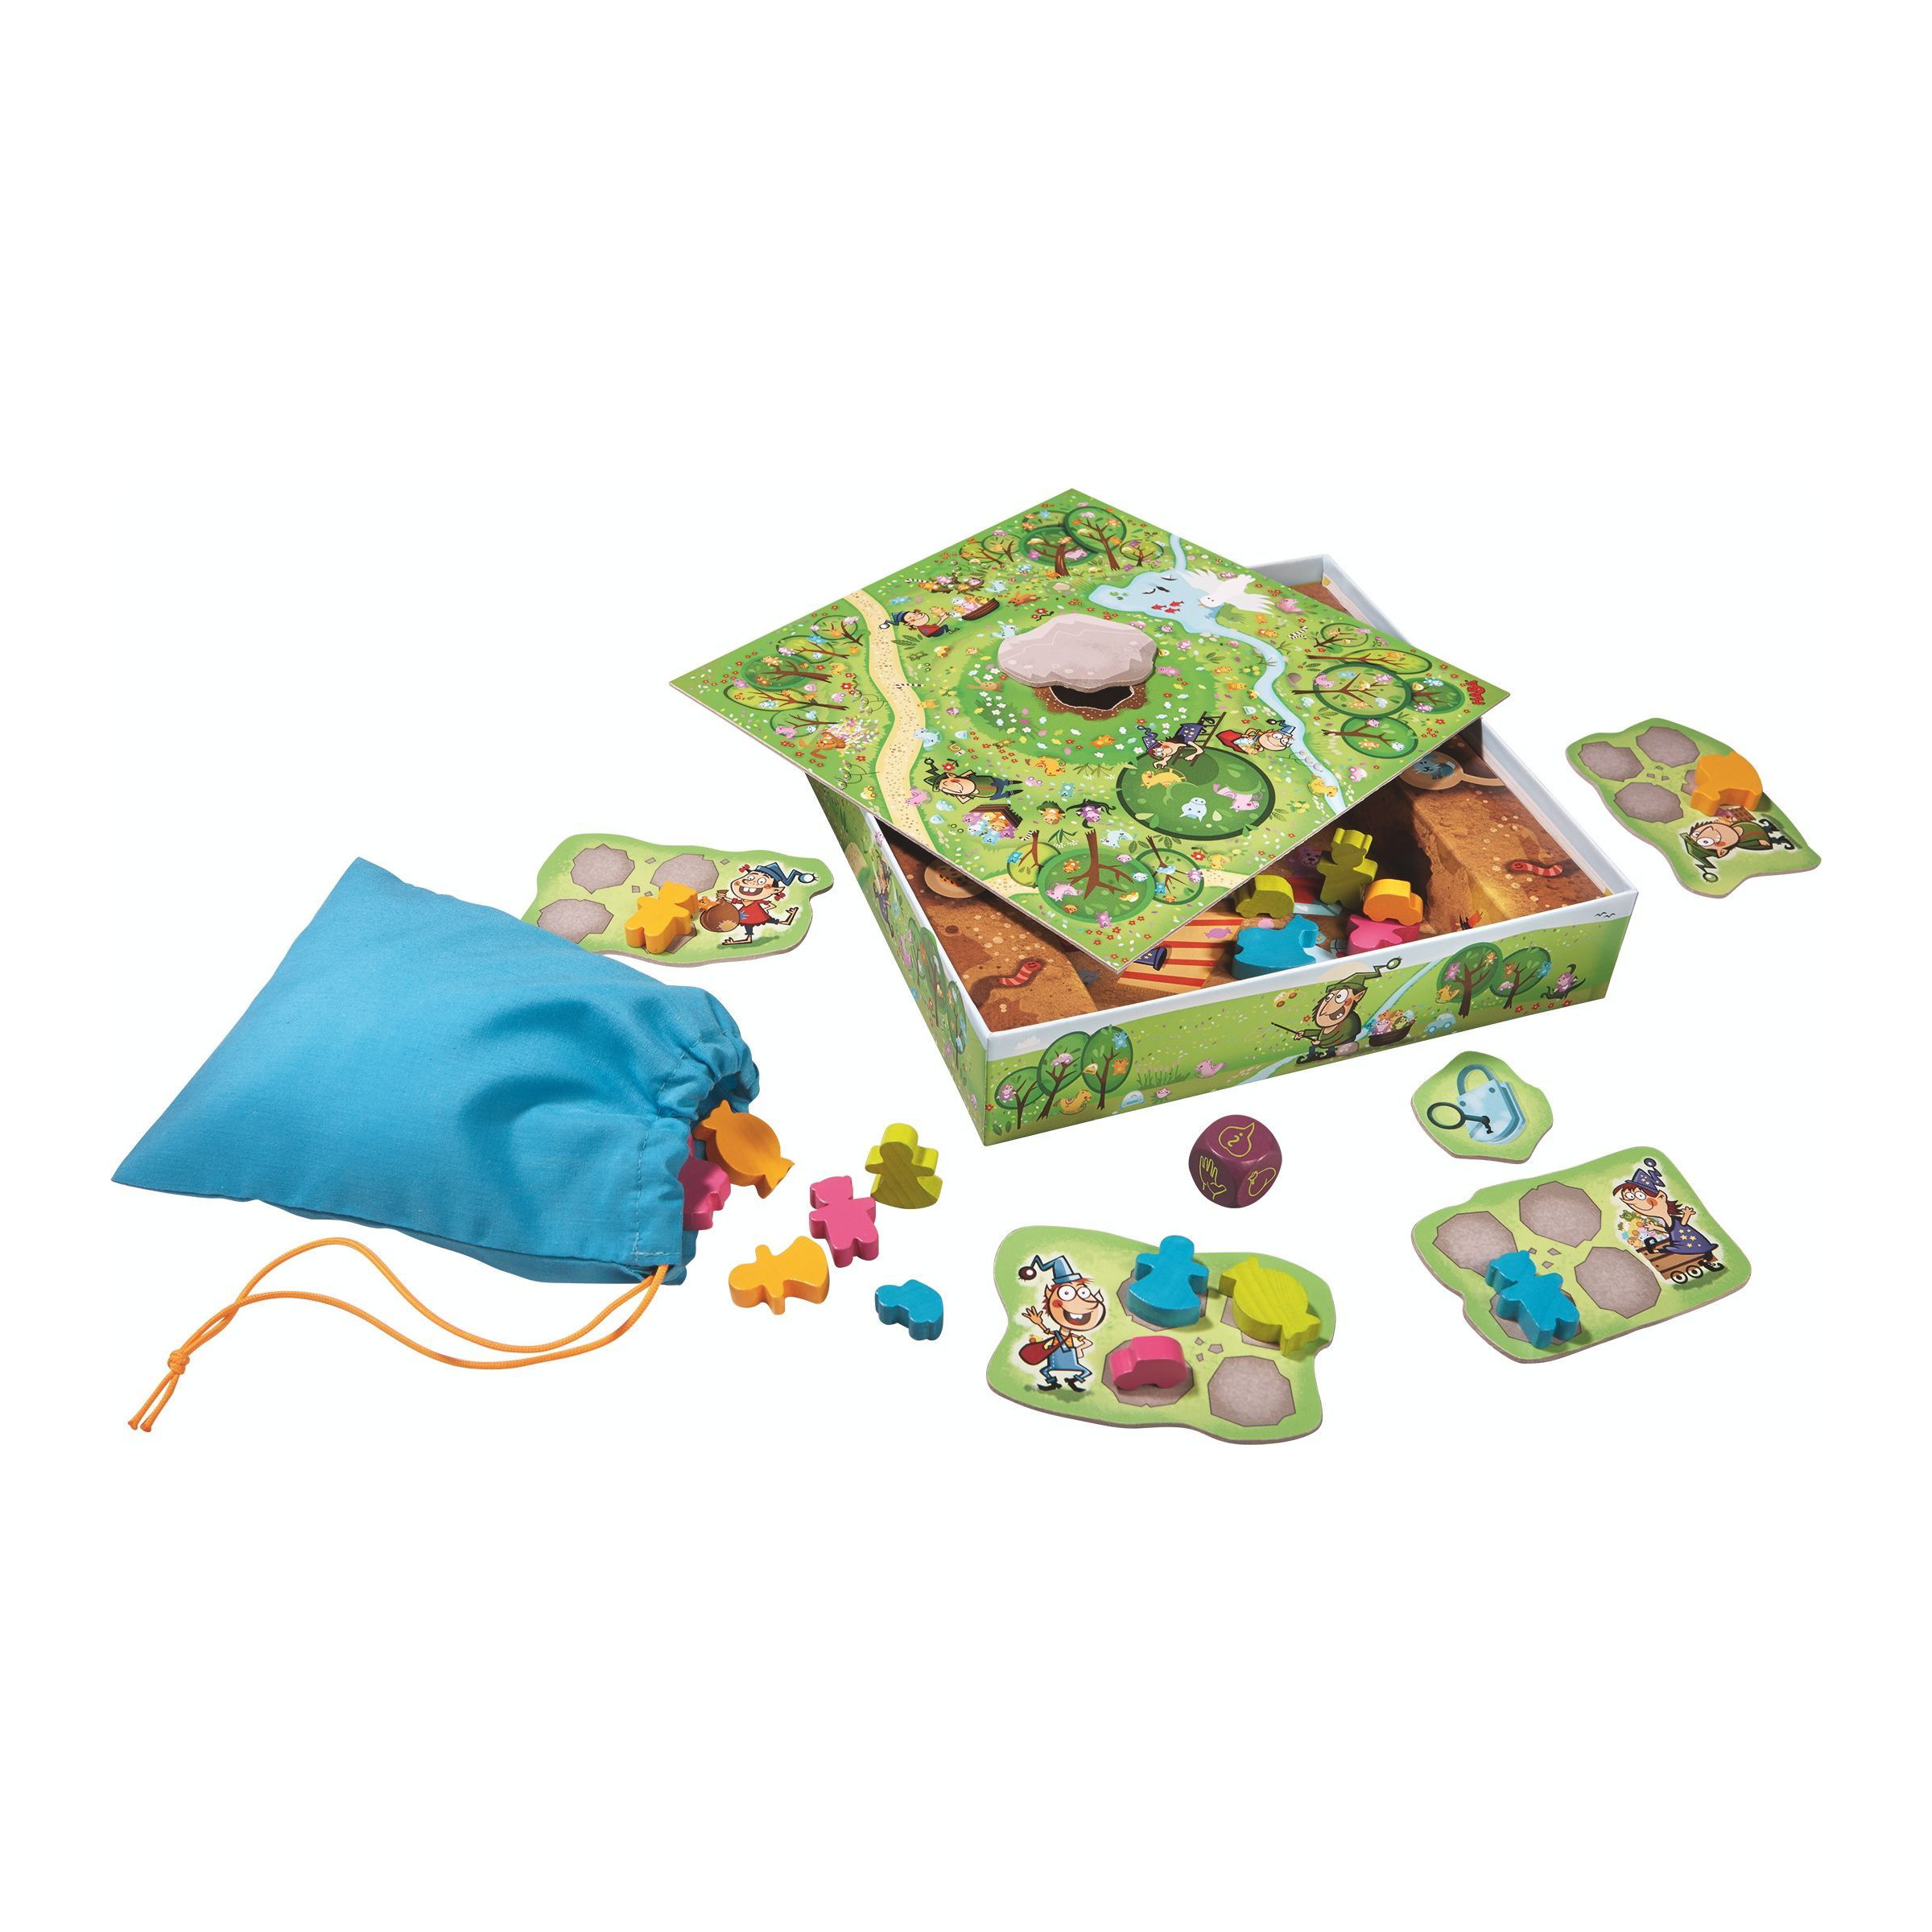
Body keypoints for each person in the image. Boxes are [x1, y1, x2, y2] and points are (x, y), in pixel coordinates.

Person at [1016, 1254, 1106, 1392]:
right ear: (1049, 1296)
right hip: (1056, 1355)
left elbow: (1085, 1341)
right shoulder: (1060, 1333)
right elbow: (1048, 1332)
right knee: (1046, 1370)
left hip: (1069, 1357)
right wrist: (1039, 1322)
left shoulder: (1072, 1336)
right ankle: (1054, 1383)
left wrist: (1081, 1347)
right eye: (1067, 1293)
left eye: (1083, 1293)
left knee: (1080, 1371)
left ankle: (1072, 1381)